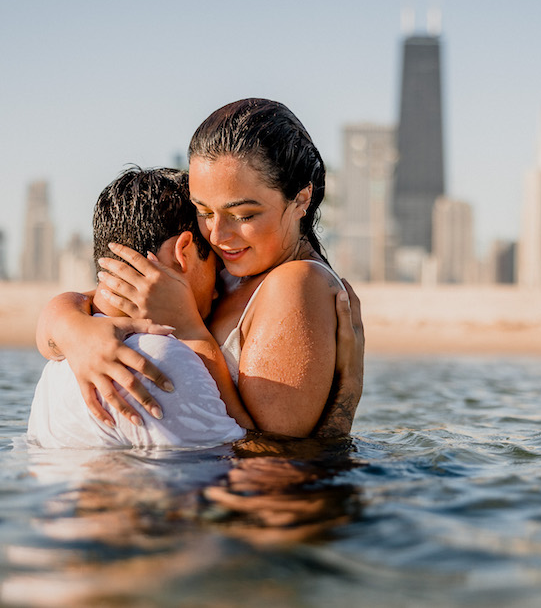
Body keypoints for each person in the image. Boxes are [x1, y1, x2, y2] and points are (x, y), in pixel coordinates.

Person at [37, 98, 363, 439]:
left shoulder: (298, 283)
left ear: (300, 199)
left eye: (244, 215)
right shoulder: (229, 268)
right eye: (204, 212)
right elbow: (96, 300)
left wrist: (191, 330)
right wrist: (75, 332)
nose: (218, 235)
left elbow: (271, 463)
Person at [29, 167, 253, 447]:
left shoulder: (56, 368)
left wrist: (64, 313)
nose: (219, 290)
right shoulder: (164, 361)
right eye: (217, 265)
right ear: (182, 253)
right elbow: (255, 458)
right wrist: (195, 333)